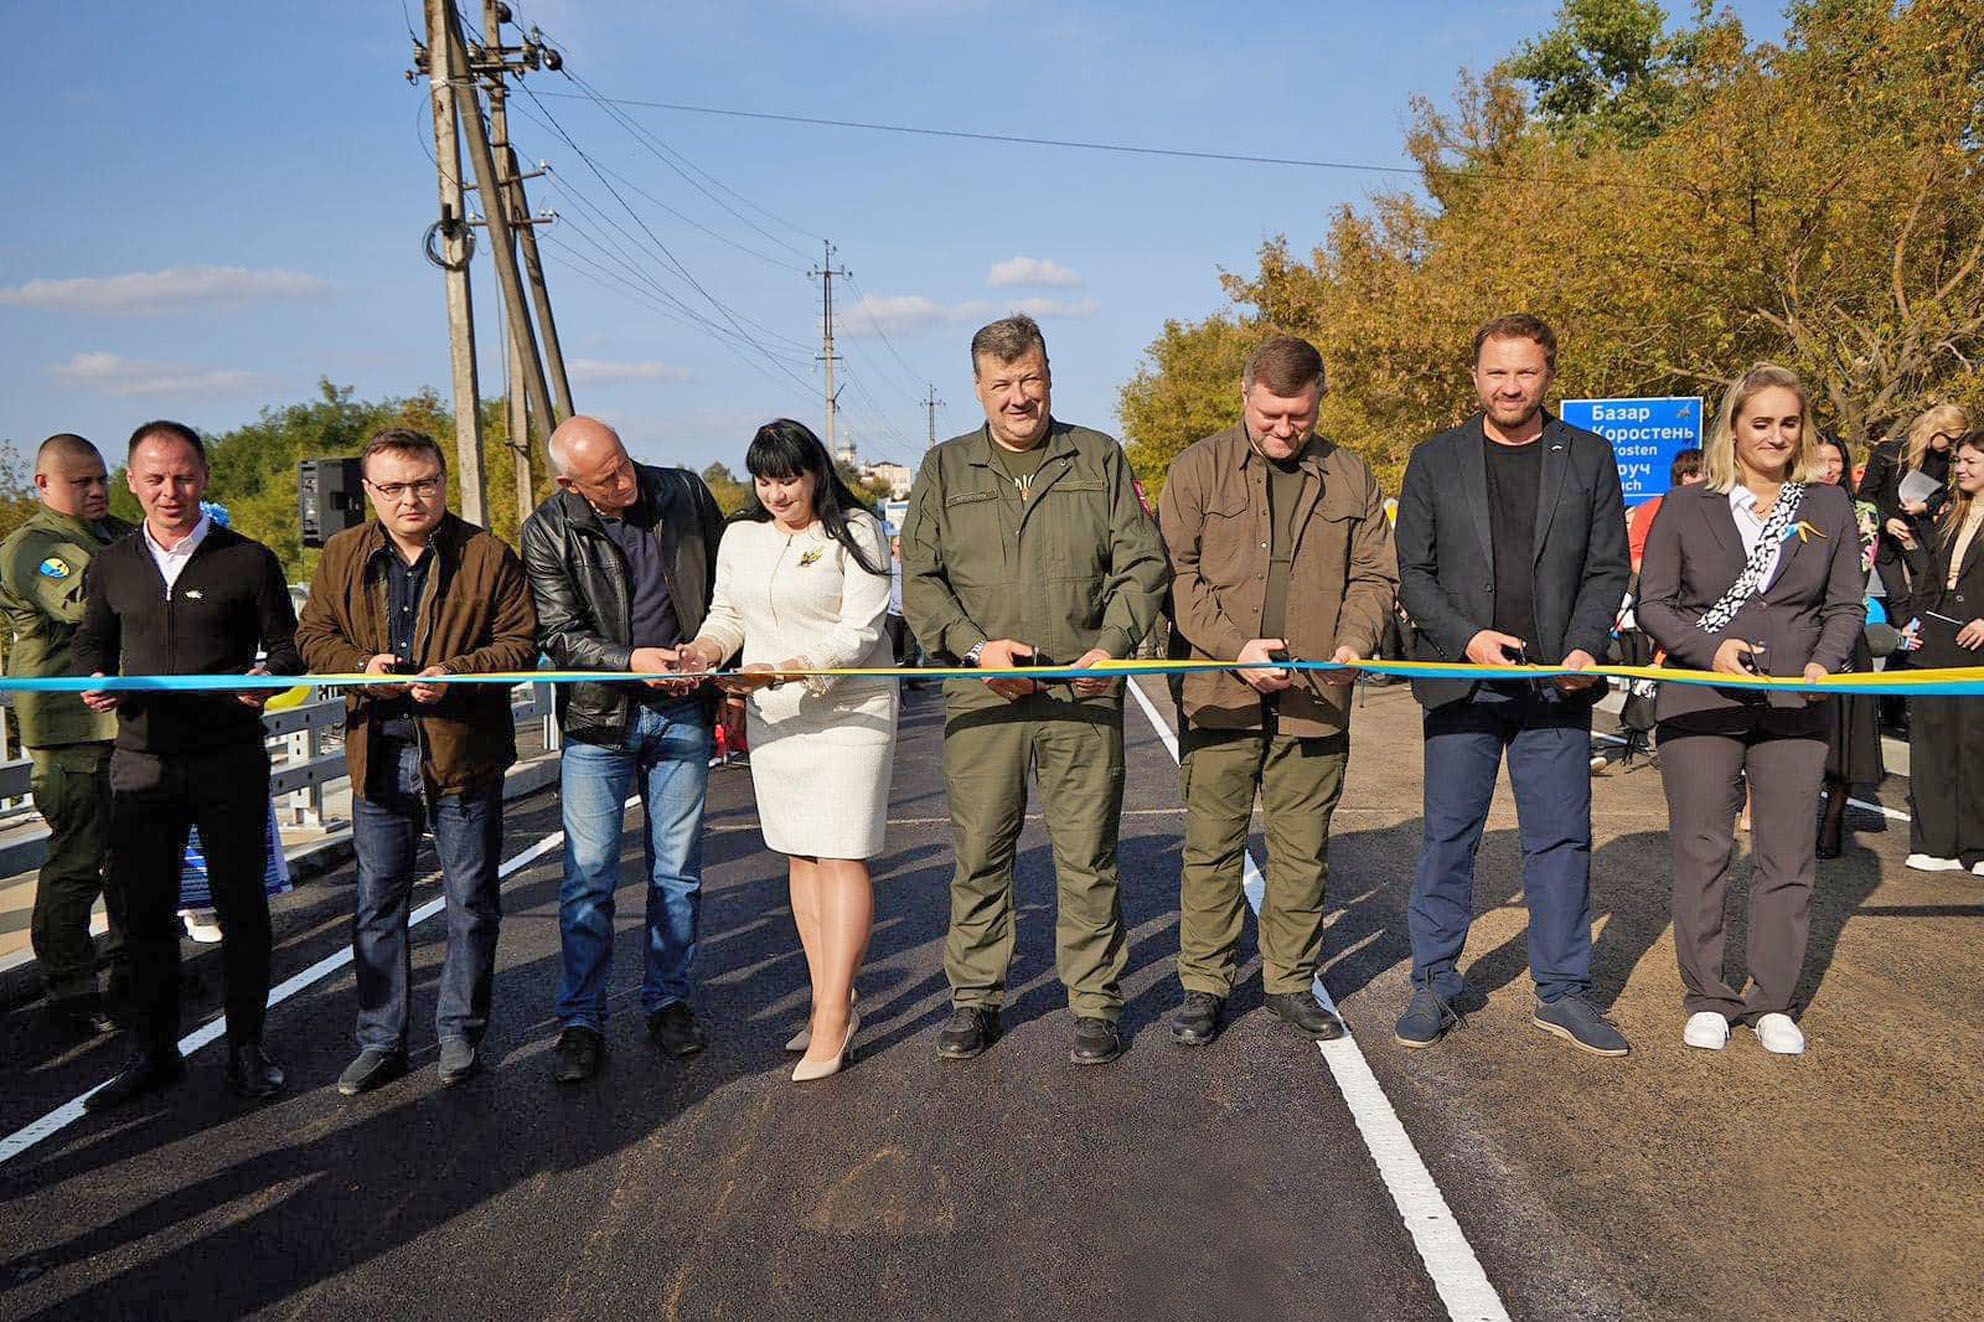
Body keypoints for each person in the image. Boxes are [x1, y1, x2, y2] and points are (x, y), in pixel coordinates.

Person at [902, 313, 1169, 1066]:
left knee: (1087, 856)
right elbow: (919, 583)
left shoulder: (1099, 457)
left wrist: (1110, 647)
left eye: (1030, 381)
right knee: (982, 853)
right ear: (979, 390)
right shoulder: (945, 469)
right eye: (1002, 385)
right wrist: (975, 648)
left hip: (1081, 697)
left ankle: (1094, 1001)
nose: (1019, 398)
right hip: (985, 699)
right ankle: (975, 998)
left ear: (1049, 377)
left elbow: (1143, 564)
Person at [1392, 314, 1633, 1056]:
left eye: (1525, 372)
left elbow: (1606, 568)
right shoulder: (1435, 461)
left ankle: (1563, 992)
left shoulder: (1589, 457)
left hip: (1556, 688)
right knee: (1449, 837)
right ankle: (1434, 980)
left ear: (1549, 374)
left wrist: (1587, 646)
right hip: (1464, 685)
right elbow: (1415, 575)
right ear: (1475, 377)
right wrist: (1467, 638)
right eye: (1497, 372)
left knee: (1561, 841)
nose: (1510, 385)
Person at [1156, 335, 1398, 1046]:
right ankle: (1204, 986)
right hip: (1217, 693)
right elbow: (1176, 577)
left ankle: (1290, 982)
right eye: (1270, 416)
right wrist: (1236, 651)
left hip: (1315, 697)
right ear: (1245, 396)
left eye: (1298, 416)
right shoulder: (1197, 469)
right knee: (1212, 848)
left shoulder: (1352, 477)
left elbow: (1375, 577)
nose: (1284, 430)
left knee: (1301, 849)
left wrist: (1356, 641)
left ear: (1319, 400)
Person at [297, 428, 538, 1095]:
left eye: (425, 482)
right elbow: (314, 636)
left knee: (471, 900)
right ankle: (380, 1041)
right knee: (377, 903)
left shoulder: (486, 554)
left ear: (442, 482)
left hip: (461, 752)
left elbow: (520, 642)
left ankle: (461, 1033)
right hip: (377, 754)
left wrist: (457, 673)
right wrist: (360, 667)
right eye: (395, 486)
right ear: (369, 491)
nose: (412, 498)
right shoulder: (342, 554)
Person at [73, 420, 304, 1108]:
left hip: (228, 761)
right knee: (141, 913)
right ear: (133, 482)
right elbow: (92, 642)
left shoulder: (249, 560)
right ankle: (153, 1051)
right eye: (155, 478)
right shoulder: (111, 564)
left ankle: (247, 1048)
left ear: (203, 477)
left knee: (241, 909)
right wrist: (93, 677)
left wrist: (267, 676)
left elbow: (288, 650)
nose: (170, 491)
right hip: (142, 764)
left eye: (183, 476)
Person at [1637, 365, 1865, 1056]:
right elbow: (1655, 604)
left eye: (1787, 423)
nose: (1774, 435)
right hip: (1702, 699)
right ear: (1733, 427)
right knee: (1703, 851)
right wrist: (1710, 649)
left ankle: (1774, 1000)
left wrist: (1826, 659)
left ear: (1803, 429)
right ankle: (1707, 994)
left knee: (1788, 856)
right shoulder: (1685, 506)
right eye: (1760, 422)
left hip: (1799, 700)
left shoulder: (1827, 507)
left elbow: (1846, 603)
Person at [678, 420, 897, 1081]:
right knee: (801, 856)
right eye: (765, 480)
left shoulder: (857, 532)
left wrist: (792, 668)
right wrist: (704, 651)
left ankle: (833, 1017)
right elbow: (729, 616)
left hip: (849, 714)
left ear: (816, 474)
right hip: (777, 717)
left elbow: (861, 631)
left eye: (789, 479)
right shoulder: (741, 538)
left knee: (841, 853)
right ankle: (830, 996)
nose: (776, 493)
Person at [520, 415, 725, 1084]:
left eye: (625, 461)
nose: (624, 479)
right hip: (597, 723)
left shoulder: (685, 493)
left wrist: (713, 656)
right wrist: (627, 659)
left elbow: (730, 594)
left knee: (678, 874)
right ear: (568, 484)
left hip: (683, 712)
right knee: (589, 878)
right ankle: (580, 1021)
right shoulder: (547, 530)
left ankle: (669, 1003)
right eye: (606, 478)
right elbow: (558, 633)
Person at [0, 433, 133, 1038]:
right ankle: (71, 988)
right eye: (82, 482)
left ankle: (137, 969)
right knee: (78, 858)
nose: (98, 490)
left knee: (130, 856)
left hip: (124, 718)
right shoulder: (35, 548)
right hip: (70, 725)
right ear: (44, 485)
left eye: (102, 478)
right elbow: (85, 603)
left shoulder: (112, 534)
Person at [1891, 429, 1984, 875]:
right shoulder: (1948, 514)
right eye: (1959, 461)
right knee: (1931, 741)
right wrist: (1916, 619)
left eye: (1971, 461)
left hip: (1978, 648)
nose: (1961, 469)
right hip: (1938, 640)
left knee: (1975, 744)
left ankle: (1978, 846)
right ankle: (1934, 842)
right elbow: (1929, 575)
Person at [1811, 434, 1884, 858]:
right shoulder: (1793, 505)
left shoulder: (1863, 512)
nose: (1829, 467)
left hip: (1842, 627)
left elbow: (1855, 571)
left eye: (1836, 460)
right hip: (1800, 629)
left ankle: (1833, 821)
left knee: (1843, 735)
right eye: (1820, 460)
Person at [1860, 404, 1966, 637]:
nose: (1951, 446)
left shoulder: (1941, 459)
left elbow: (1941, 494)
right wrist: (1885, 521)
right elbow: (1865, 495)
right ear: (1936, 430)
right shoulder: (1888, 452)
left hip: (1917, 532)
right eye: (1950, 439)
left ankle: (1919, 633)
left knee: (1926, 583)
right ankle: (1901, 642)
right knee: (1897, 594)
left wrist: (1925, 506)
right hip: (1885, 536)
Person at [1627, 449, 1704, 578]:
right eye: (1707, 473)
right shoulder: (1650, 510)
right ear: (1687, 477)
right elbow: (1636, 558)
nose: (1713, 479)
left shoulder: (1718, 510)